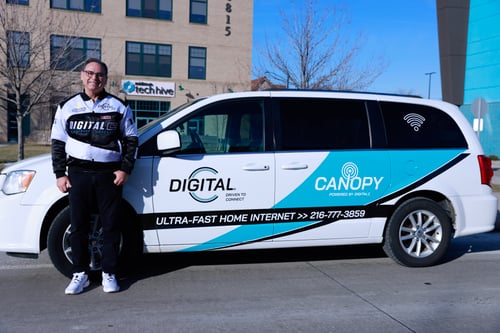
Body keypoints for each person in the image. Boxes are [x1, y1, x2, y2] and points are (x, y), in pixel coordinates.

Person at [51, 58, 138, 295]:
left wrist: (125, 169)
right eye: (90, 73)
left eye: (99, 75)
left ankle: (108, 273)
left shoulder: (119, 107)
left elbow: (131, 140)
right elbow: (57, 143)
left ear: (105, 79)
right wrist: (60, 174)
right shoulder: (66, 107)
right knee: (78, 226)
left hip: (108, 175)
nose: (94, 78)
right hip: (77, 174)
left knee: (110, 226)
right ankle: (80, 273)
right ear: (82, 76)